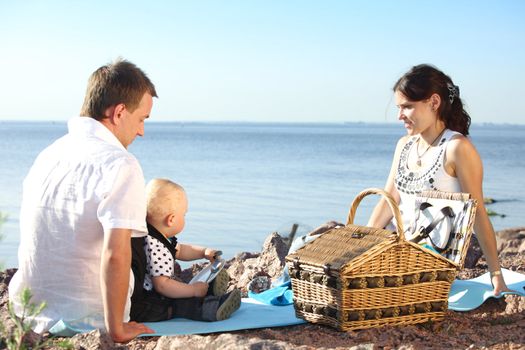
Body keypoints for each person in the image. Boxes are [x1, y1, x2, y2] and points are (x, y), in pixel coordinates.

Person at [9, 59, 157, 342]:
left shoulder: (49, 154)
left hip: (29, 311)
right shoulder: (120, 163)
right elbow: (115, 254)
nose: (141, 132)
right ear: (119, 112)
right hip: (86, 319)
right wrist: (117, 329)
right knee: (140, 241)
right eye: (141, 119)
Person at [367, 64, 510, 296]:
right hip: (397, 250)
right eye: (398, 107)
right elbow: (387, 202)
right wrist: (360, 247)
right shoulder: (404, 145)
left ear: (434, 102)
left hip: (430, 263)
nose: (399, 115)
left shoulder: (457, 148)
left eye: (407, 107)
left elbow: (478, 214)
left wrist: (496, 275)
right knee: (310, 245)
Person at [130, 178, 241, 322]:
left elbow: (180, 250)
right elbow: (162, 285)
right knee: (181, 305)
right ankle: (212, 308)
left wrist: (203, 252)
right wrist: (193, 290)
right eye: (184, 215)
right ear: (171, 220)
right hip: (150, 305)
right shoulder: (157, 247)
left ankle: (208, 289)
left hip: (147, 297)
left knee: (185, 291)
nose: (185, 218)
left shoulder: (151, 235)